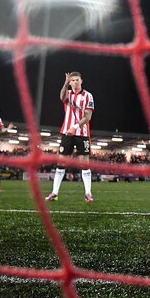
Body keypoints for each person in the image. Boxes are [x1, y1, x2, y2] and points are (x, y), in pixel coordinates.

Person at [45, 72, 95, 202]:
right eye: (72, 80)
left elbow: (88, 117)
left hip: (82, 133)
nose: (75, 82)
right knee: (61, 162)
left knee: (85, 163)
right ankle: (54, 193)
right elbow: (61, 97)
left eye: (77, 80)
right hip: (66, 132)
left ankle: (88, 193)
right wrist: (65, 83)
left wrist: (75, 127)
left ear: (81, 81)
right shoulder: (67, 94)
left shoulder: (88, 96)